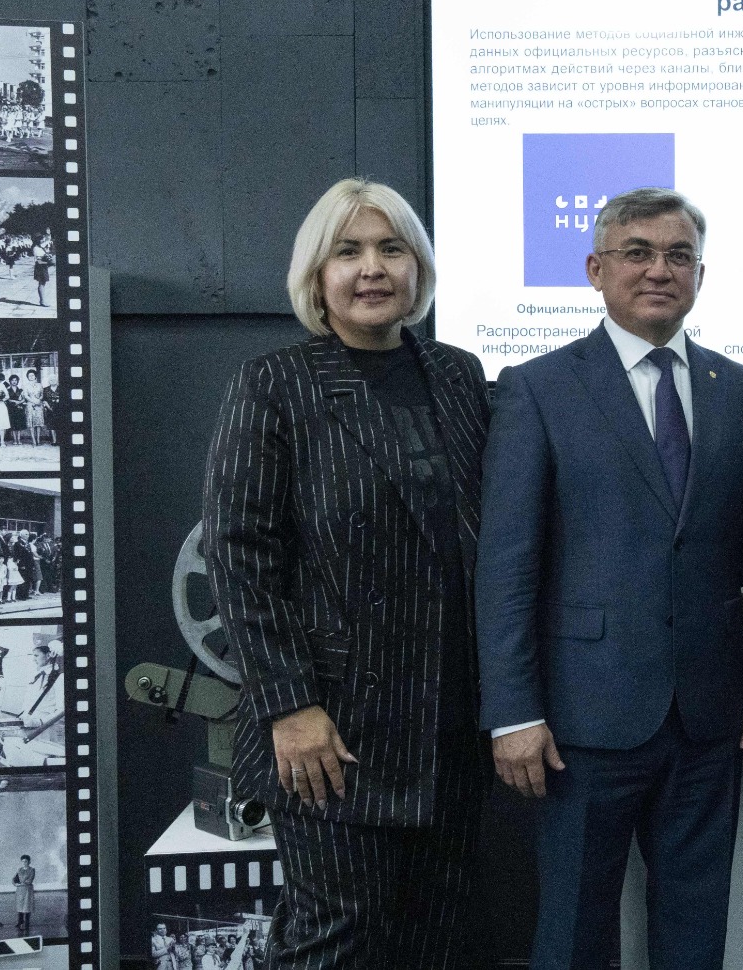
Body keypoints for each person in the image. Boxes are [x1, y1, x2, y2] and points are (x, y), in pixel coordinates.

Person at [476, 187, 743, 970]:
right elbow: (507, 567)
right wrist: (513, 712)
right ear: (596, 269)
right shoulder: (537, 388)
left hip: (710, 717)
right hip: (579, 722)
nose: (660, 270)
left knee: (696, 930)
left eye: (679, 255)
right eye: (638, 253)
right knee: (574, 932)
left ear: (700, 275)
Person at [202, 178, 490, 968]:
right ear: (316, 274)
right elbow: (238, 555)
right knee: (337, 943)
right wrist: (289, 704)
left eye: (392, 249)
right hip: (331, 733)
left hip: (451, 727)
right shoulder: (273, 384)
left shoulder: (460, 376)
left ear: (418, 267)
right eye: (348, 251)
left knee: (438, 945)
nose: (372, 268)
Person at [11, 855, 32, 933]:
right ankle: (20, 921)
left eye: (25, 861)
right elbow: (14, 879)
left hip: (27, 890)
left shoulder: (31, 870)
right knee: (20, 906)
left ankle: (27, 923)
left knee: (27, 906)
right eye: (22, 861)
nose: (24, 863)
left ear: (29, 862)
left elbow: (29, 880)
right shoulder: (19, 869)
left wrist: (21, 882)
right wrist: (15, 883)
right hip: (20, 890)